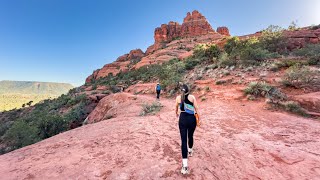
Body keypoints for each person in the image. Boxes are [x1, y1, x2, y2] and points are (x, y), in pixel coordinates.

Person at [175, 84, 200, 175]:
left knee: (183, 141)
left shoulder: (178, 98)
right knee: (191, 135)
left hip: (182, 119)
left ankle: (185, 167)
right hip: (191, 119)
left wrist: (176, 114)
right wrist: (199, 119)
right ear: (188, 90)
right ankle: (190, 150)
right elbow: (196, 109)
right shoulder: (192, 97)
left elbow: (176, 108)